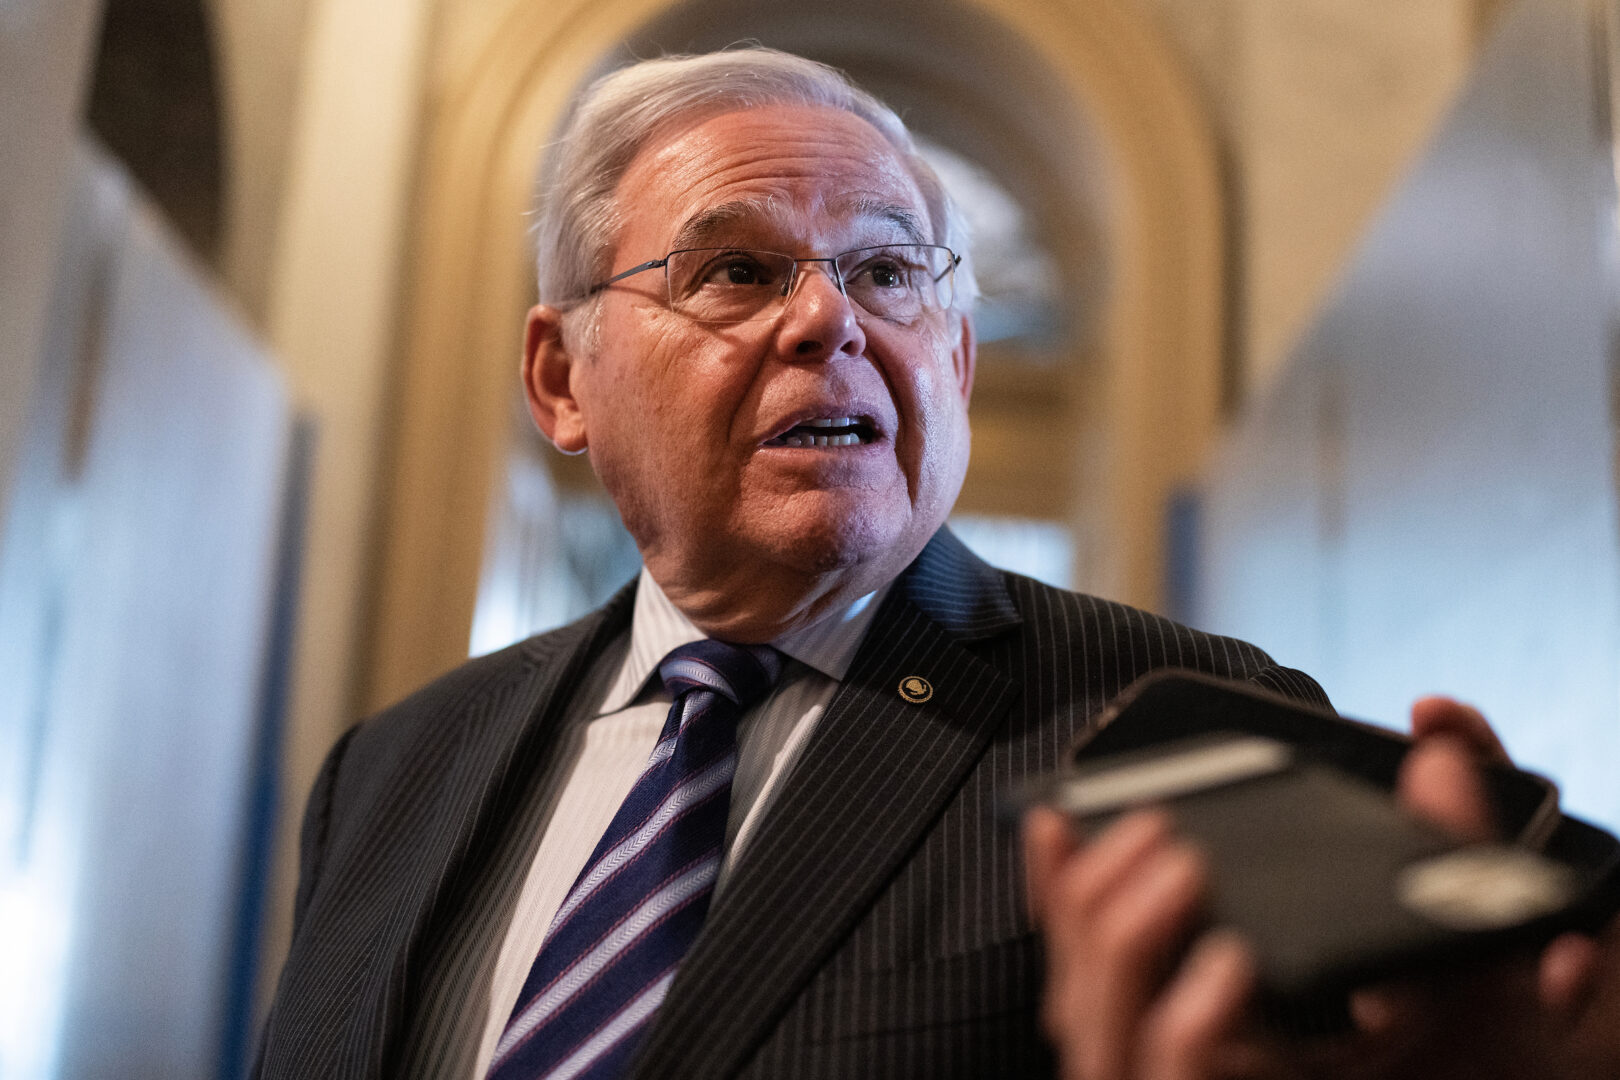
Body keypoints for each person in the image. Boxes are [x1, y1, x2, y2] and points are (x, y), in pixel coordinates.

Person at [252, 46, 1614, 1080]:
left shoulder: (1177, 714)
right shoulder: (394, 766)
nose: (829, 321)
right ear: (562, 378)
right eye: (735, 270)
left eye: (890, 274)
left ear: (954, 365)